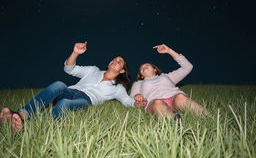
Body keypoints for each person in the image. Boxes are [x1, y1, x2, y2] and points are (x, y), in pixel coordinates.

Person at [0, 42, 142, 133]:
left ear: (122, 70)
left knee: (64, 104)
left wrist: (138, 101)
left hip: (86, 100)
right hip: (71, 90)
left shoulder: (117, 88)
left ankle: (41, 130)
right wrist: (75, 53)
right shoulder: (93, 70)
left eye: (119, 62)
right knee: (59, 84)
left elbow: (127, 101)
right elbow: (69, 69)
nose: (115, 61)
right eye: (114, 59)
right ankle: (22, 115)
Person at [130, 44, 208, 120]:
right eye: (141, 69)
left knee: (181, 97)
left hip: (174, 97)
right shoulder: (138, 83)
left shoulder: (167, 77)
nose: (144, 67)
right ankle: (175, 122)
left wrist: (169, 51)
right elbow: (132, 98)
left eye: (147, 65)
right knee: (158, 102)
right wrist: (137, 97)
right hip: (154, 102)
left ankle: (208, 117)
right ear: (142, 75)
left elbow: (188, 67)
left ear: (155, 70)